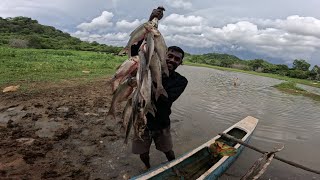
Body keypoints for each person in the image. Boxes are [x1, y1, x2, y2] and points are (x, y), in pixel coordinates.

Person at [131, 7, 188, 170]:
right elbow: (137, 49)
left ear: (180, 63)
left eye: (177, 59)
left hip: (162, 123)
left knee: (168, 150)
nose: (172, 60)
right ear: (163, 55)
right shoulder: (148, 67)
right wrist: (151, 21)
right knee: (143, 152)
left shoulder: (181, 81)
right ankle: (147, 168)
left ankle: (174, 166)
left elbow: (165, 99)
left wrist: (156, 81)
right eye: (169, 56)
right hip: (142, 121)